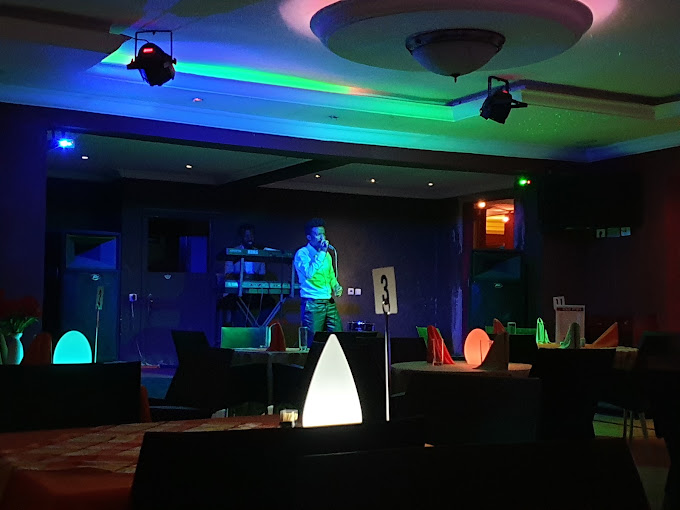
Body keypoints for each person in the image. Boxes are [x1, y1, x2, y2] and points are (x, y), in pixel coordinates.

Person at [294, 218, 343, 346]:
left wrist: (336, 286)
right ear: (309, 237)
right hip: (313, 302)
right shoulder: (302, 254)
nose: (322, 238)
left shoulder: (327, 255)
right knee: (313, 341)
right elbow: (309, 273)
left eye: (323, 234)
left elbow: (331, 275)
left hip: (328, 302)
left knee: (338, 337)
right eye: (318, 234)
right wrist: (321, 253)